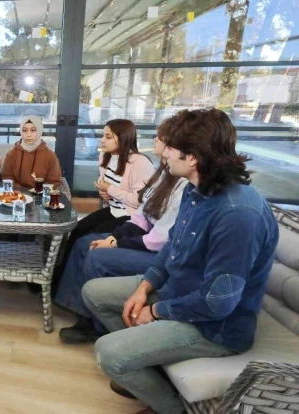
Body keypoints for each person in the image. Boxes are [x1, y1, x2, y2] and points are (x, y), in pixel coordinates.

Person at [81, 108, 279, 414]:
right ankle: (150, 368)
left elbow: (217, 304)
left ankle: (173, 409)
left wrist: (155, 311)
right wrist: (144, 288)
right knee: (94, 292)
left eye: (170, 147)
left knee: (108, 353)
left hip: (214, 328)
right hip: (178, 293)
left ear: (193, 158)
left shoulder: (238, 215)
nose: (164, 153)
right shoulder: (196, 190)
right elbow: (172, 246)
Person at [54, 115, 188, 344]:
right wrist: (115, 237)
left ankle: (93, 323)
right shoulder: (164, 174)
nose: (155, 141)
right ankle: (71, 302)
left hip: (156, 250)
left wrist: (116, 242)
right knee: (80, 238)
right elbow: (142, 215)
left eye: (161, 139)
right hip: (135, 225)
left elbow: (157, 238)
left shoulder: (178, 182)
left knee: (95, 253)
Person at [51, 119, 154, 293]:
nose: (102, 140)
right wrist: (105, 193)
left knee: (85, 240)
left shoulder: (140, 163)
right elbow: (106, 187)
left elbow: (140, 201)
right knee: (76, 230)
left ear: (123, 138)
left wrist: (110, 190)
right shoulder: (105, 157)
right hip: (112, 210)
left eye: (108, 137)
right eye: (102, 135)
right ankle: (57, 281)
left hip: (130, 217)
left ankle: (73, 289)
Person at [1, 115, 62, 189]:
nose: (28, 135)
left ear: (39, 131)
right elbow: (7, 177)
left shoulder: (50, 155)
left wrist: (39, 190)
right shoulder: (12, 153)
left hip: (40, 193)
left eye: (33, 130)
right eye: (24, 130)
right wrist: (21, 191)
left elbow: (54, 181)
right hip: (17, 194)